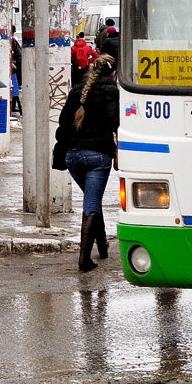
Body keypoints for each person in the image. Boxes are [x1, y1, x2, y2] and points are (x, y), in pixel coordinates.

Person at [56, 54, 119, 272]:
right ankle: (84, 259)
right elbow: (115, 122)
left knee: (93, 201)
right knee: (92, 204)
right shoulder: (112, 91)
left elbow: (62, 125)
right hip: (97, 157)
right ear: (113, 73)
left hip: (73, 157)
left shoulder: (77, 91)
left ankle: (101, 246)